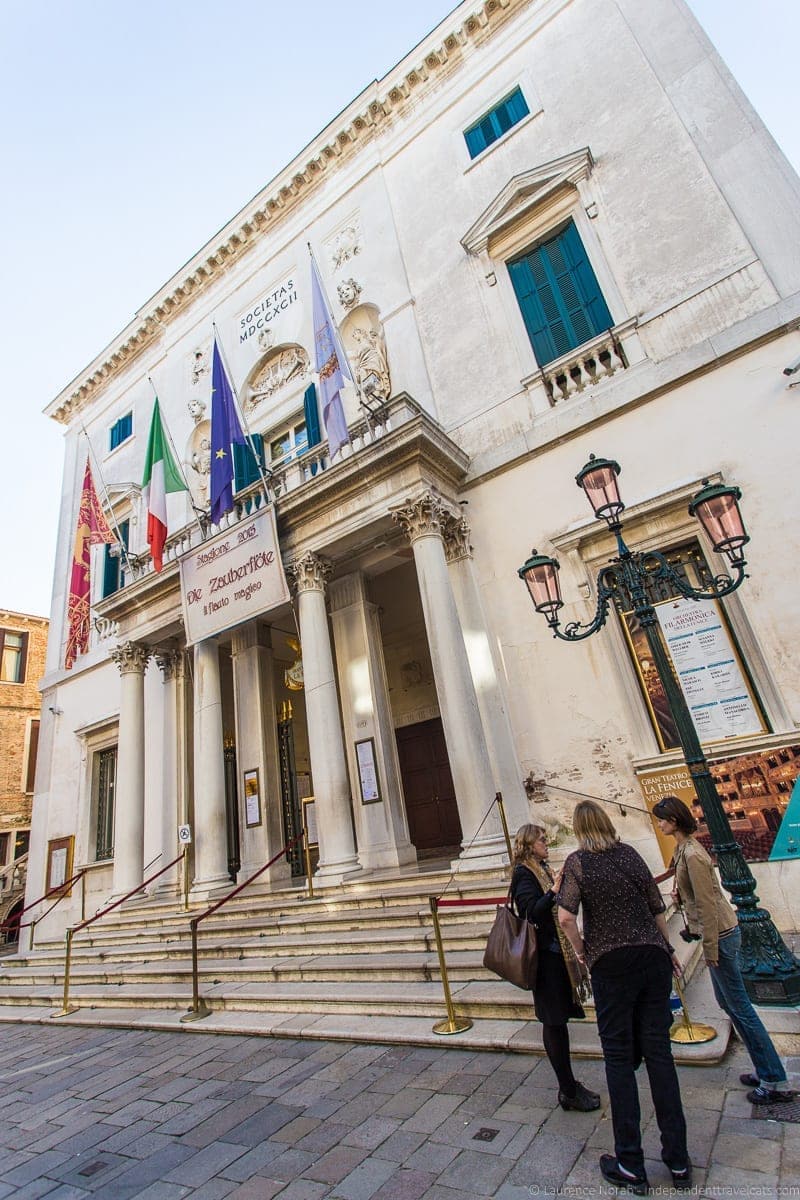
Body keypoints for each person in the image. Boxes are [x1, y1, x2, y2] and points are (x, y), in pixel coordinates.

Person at [558, 800, 691, 1194]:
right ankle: (679, 1160)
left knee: (618, 1059)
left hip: (611, 963)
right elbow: (656, 908)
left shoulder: (578, 862)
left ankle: (631, 1162)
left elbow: (565, 916)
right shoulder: (631, 854)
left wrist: (582, 951)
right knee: (659, 1055)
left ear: (580, 830)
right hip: (651, 958)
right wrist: (667, 952)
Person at [653, 794, 796, 1106]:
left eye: (662, 819)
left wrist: (710, 948)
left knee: (739, 1006)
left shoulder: (693, 854)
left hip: (720, 934)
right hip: (716, 932)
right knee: (728, 1003)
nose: (659, 824)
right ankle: (765, 1067)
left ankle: (775, 1078)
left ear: (674, 821)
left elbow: (707, 905)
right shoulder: (683, 849)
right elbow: (670, 875)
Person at [510, 824, 600, 1113]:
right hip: (545, 960)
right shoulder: (524, 874)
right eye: (541, 840)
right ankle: (567, 1089)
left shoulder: (542, 868)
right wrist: (555, 890)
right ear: (528, 845)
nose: (546, 843)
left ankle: (569, 1085)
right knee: (553, 1022)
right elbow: (531, 911)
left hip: (555, 955)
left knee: (558, 1021)